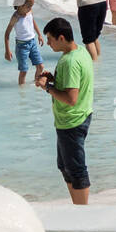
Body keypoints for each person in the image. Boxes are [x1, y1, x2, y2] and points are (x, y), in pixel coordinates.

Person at [37, 18, 94, 205]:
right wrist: (54, 79)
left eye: (50, 39)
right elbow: (74, 83)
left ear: (61, 38)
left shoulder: (70, 61)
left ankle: (82, 213)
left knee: (76, 169)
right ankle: (76, 207)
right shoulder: (80, 52)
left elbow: (71, 98)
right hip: (76, 117)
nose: (48, 43)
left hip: (72, 121)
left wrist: (47, 88)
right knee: (64, 166)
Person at [5, 0, 46, 85]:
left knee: (40, 66)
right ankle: (22, 93)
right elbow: (7, 34)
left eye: (31, 6)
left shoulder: (29, 12)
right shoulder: (15, 17)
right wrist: (7, 50)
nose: (30, 9)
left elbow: (32, 21)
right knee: (24, 71)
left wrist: (39, 34)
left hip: (33, 43)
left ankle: (37, 84)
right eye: (28, 6)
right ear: (20, 5)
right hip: (22, 46)